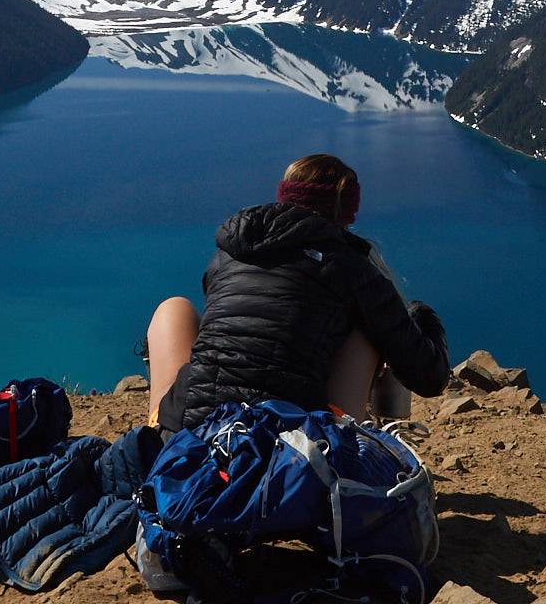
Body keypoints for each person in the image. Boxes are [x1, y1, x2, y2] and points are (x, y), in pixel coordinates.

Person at [144, 153, 448, 431]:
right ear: (346, 213)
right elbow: (430, 377)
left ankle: (153, 431)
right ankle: (349, 437)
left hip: (185, 435)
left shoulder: (229, 253)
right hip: (283, 445)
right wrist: (420, 316)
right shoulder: (352, 269)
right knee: (366, 329)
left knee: (174, 309)